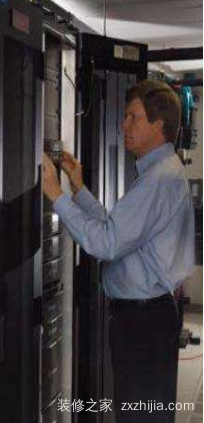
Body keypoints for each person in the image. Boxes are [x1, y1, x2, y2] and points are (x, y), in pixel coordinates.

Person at [42, 80, 195, 423]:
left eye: (132, 117)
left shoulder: (158, 180)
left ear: (158, 126)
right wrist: (78, 189)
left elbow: (107, 243)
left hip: (143, 321)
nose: (124, 125)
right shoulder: (162, 173)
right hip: (149, 316)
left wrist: (56, 195)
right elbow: (118, 233)